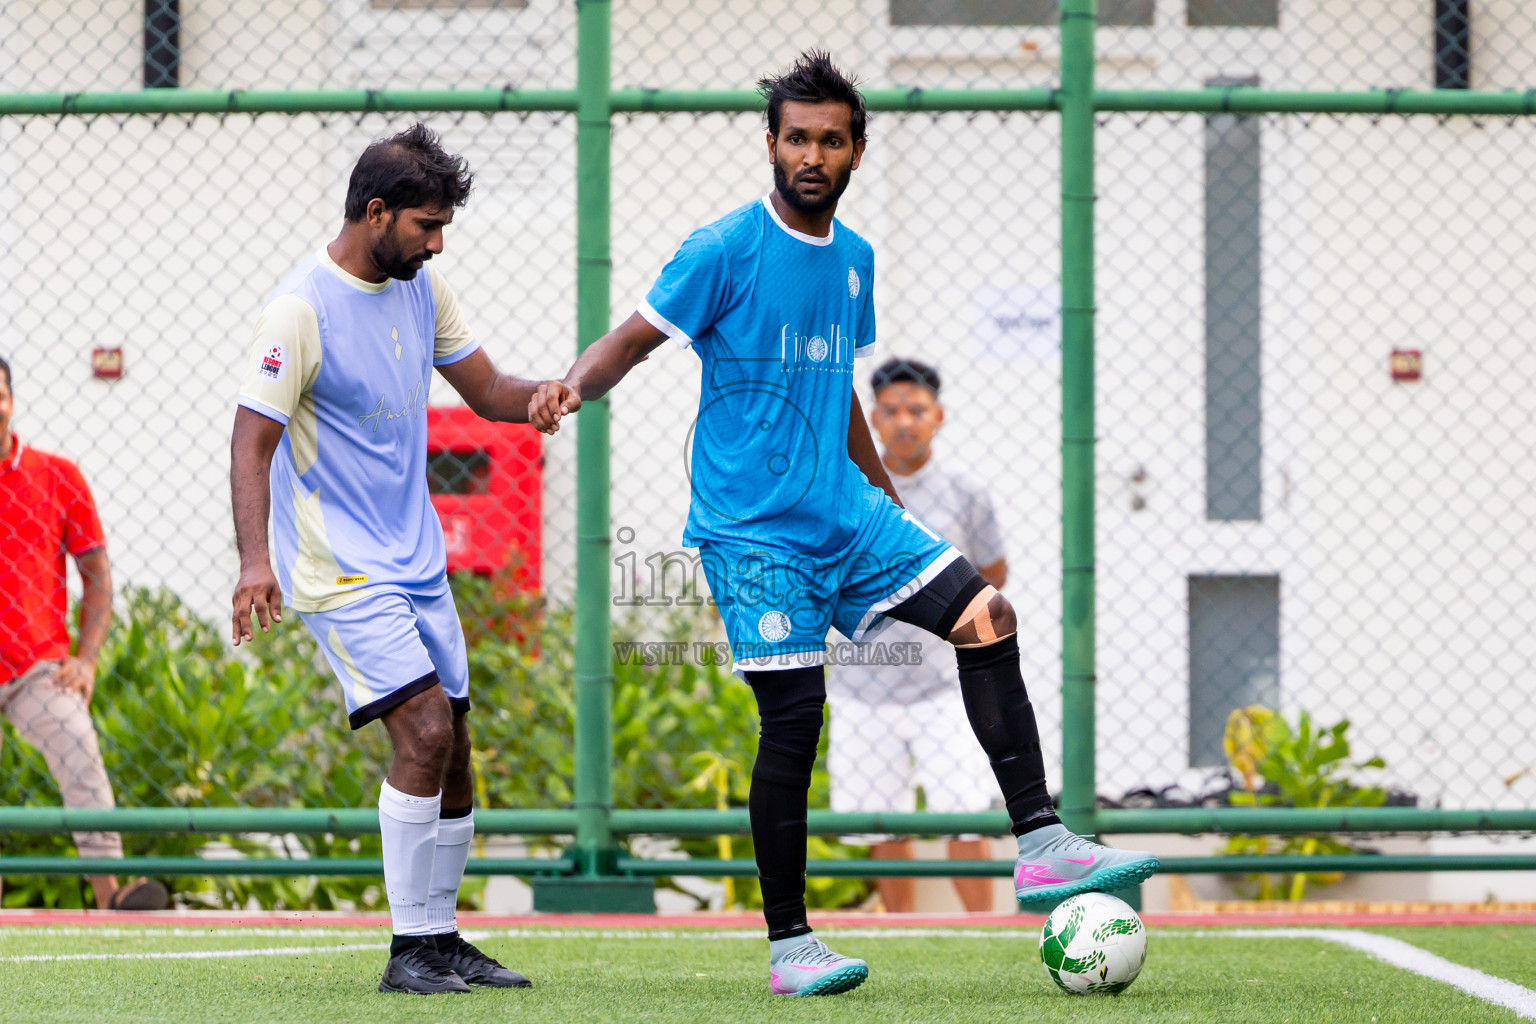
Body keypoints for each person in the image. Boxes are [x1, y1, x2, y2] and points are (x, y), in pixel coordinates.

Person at [529, 51, 1158, 996]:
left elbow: (838, 392)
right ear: (771, 144)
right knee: (794, 721)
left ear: (857, 150)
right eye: (796, 139)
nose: (811, 156)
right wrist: (570, 387)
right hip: (753, 533)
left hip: (850, 515)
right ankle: (791, 946)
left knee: (987, 616)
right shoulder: (723, 248)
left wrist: (885, 497)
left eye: (830, 140)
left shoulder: (855, 259)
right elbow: (630, 340)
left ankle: (1040, 843)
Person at [229, 124, 549, 995]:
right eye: (426, 226)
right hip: (339, 570)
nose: (437, 243)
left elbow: (489, 391)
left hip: (417, 563)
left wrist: (544, 395)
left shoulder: (422, 287)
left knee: (458, 747)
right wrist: (256, 562)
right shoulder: (300, 309)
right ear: (376, 213)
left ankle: (442, 938)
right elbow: (251, 442)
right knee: (424, 731)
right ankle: (410, 949)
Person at [827, 357, 1004, 914]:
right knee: (881, 823)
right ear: (873, 419)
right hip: (860, 689)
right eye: (892, 411)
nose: (904, 421)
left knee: (965, 819)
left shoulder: (966, 494)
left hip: (943, 688)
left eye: (916, 410)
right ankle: (898, 931)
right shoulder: (844, 486)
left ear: (938, 417)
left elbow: (992, 573)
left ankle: (985, 933)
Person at [0, 356, 167, 911]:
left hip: (36, 668)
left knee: (80, 751)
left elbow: (96, 577)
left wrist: (88, 659)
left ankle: (110, 896)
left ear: (10, 401)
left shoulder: (57, 476)